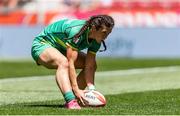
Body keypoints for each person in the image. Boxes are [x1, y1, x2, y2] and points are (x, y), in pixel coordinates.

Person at [31, 14, 114, 109]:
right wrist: (76, 89)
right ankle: (70, 101)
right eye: (104, 32)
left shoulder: (97, 40)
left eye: (109, 33)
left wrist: (91, 90)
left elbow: (89, 66)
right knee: (64, 62)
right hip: (43, 44)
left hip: (61, 48)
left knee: (92, 65)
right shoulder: (76, 31)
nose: (106, 36)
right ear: (94, 28)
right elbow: (71, 63)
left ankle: (76, 99)